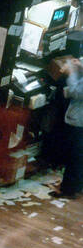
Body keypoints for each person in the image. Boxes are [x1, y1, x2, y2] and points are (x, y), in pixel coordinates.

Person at [52, 55, 83, 199]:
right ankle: (75, 186)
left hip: (79, 120)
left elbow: (77, 92)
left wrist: (71, 73)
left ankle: (68, 190)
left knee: (74, 156)